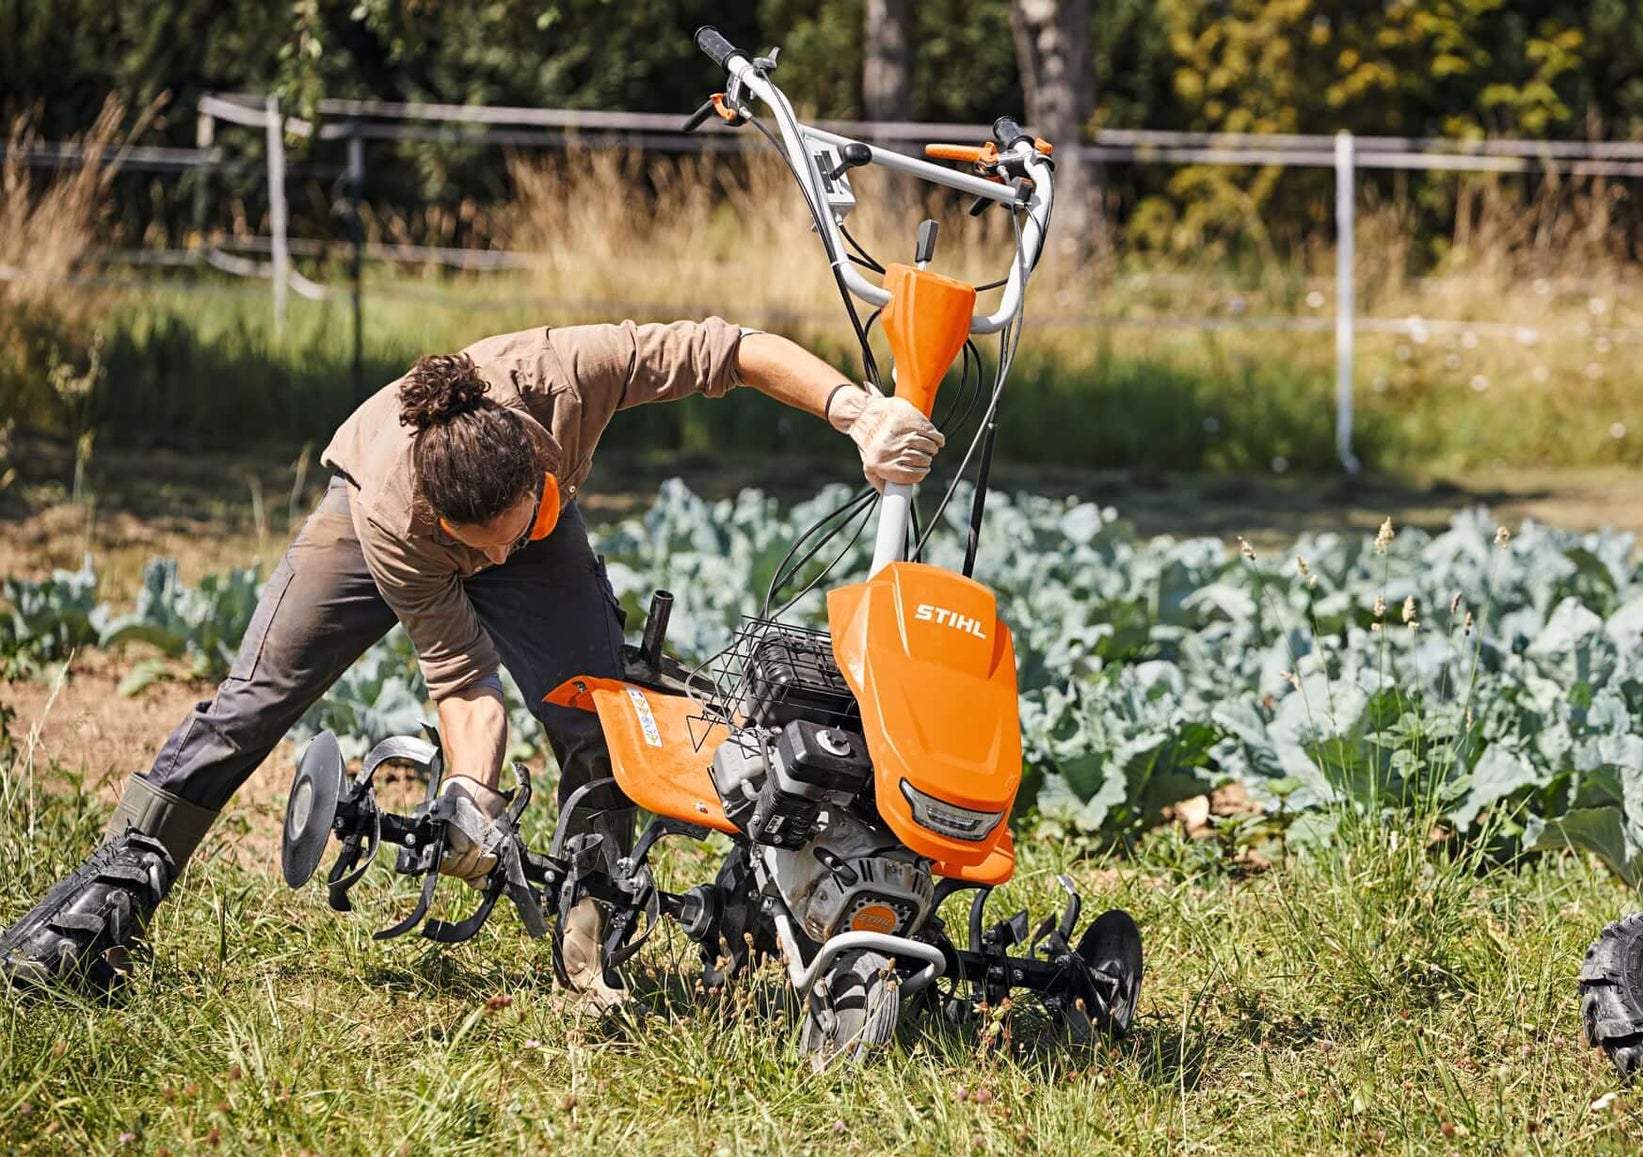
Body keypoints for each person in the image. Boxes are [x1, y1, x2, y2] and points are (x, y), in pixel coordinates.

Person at [0, 317, 943, 1007]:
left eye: (505, 540)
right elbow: (462, 680)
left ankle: (591, 935)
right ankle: (114, 892)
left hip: (527, 524)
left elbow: (731, 349)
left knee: (593, 712)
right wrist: (470, 801)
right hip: (376, 519)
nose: (492, 567)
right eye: (476, 551)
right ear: (446, 525)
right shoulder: (398, 520)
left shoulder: (575, 373)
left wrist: (855, 411)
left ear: (540, 468)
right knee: (257, 698)